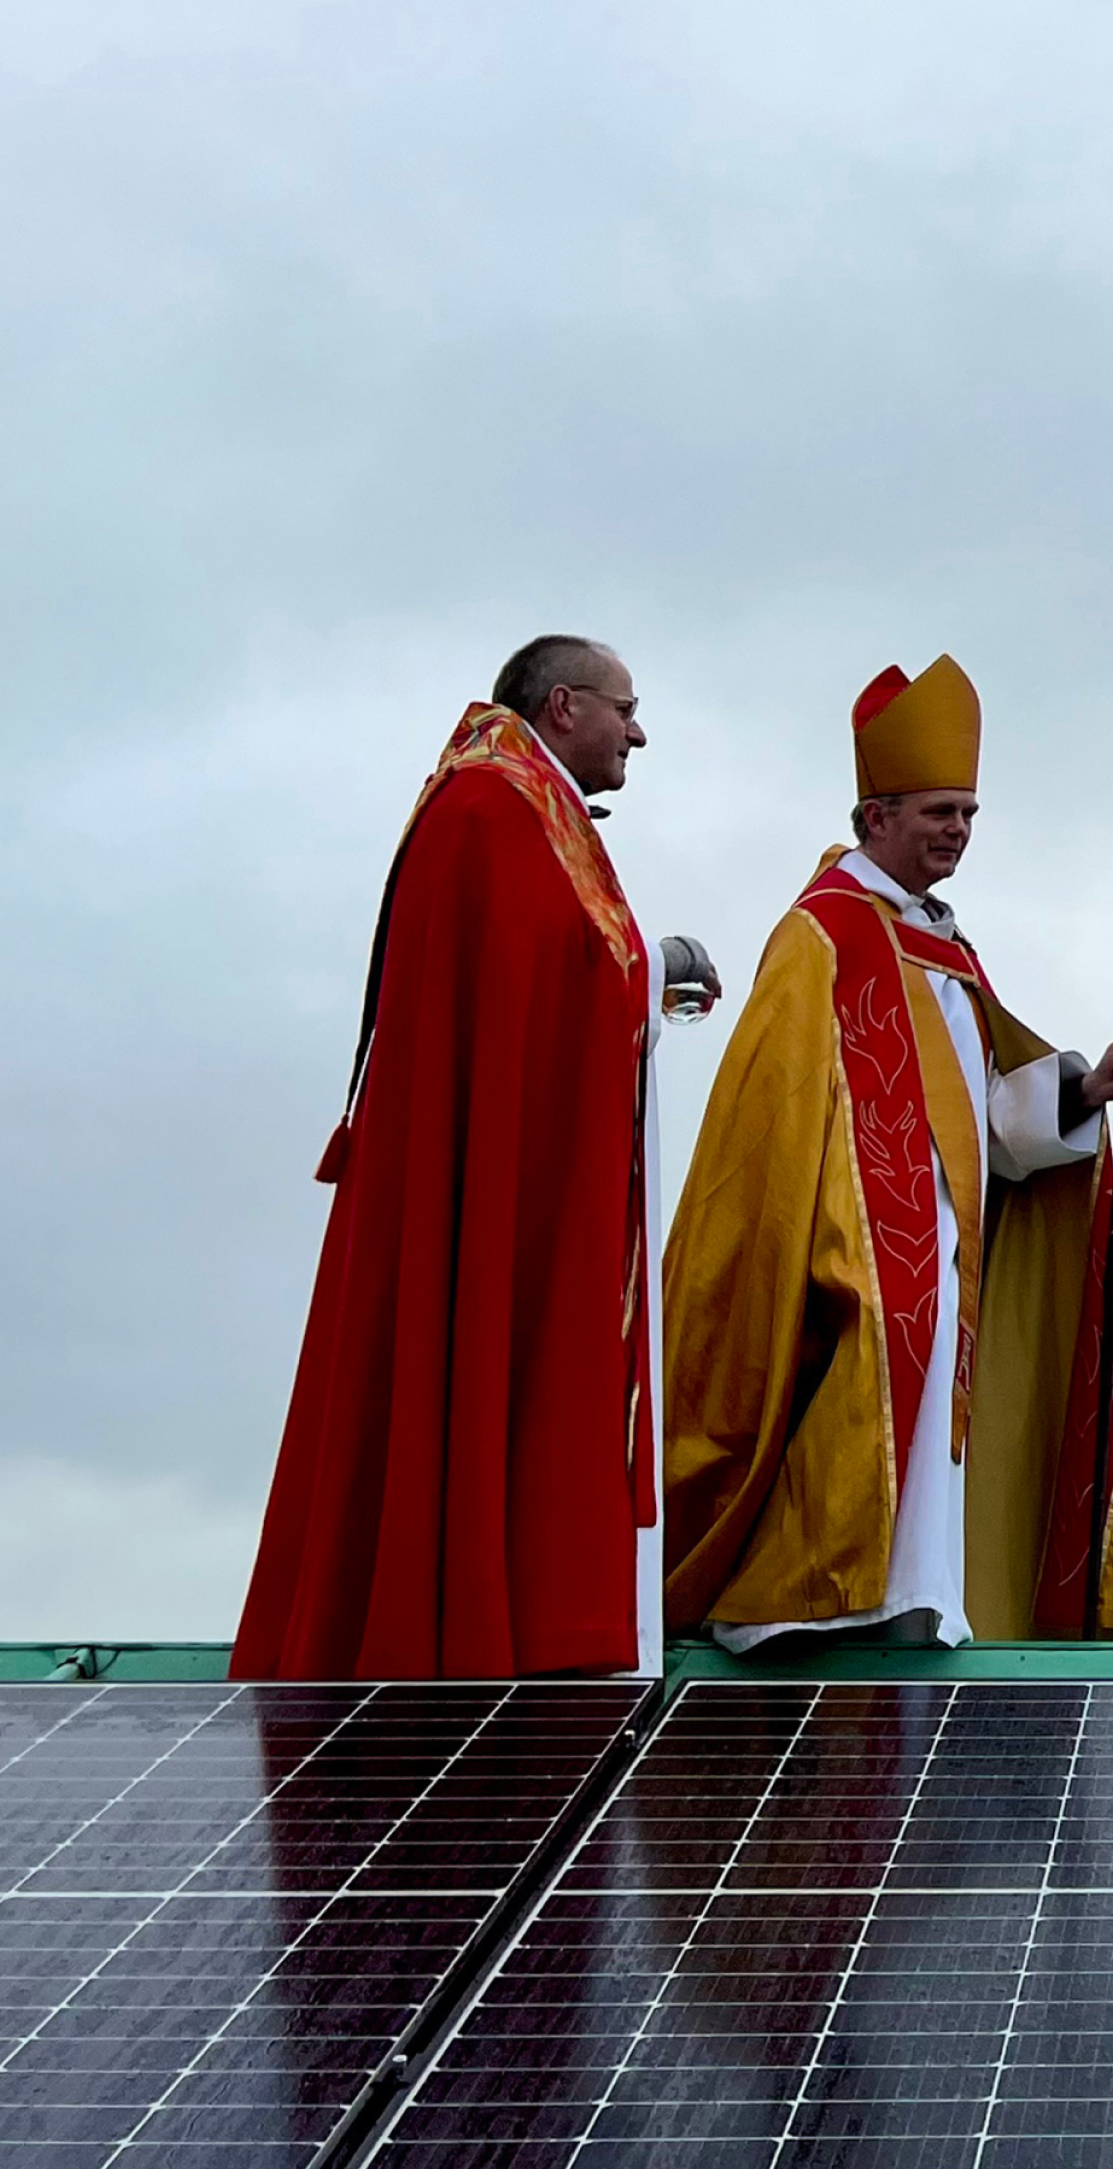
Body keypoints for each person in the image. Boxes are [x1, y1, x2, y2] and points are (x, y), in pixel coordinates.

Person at [662, 655, 1113, 1649]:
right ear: (874, 818)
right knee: (856, 1380)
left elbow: (982, 1120)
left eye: (970, 814)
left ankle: (914, 1596)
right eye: (939, 810)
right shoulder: (827, 935)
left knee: (934, 1393)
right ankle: (805, 1592)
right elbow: (773, 1108)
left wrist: (1084, 1089)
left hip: (945, 1245)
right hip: (847, 1231)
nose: (958, 831)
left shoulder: (945, 946)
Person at [234, 637, 670, 1679]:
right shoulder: (491, 810)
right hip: (496, 1187)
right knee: (468, 1347)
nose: (639, 733)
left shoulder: (524, 802)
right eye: (626, 709)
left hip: (525, 1165)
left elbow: (554, 971)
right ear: (563, 706)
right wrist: (655, 975)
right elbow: (547, 974)